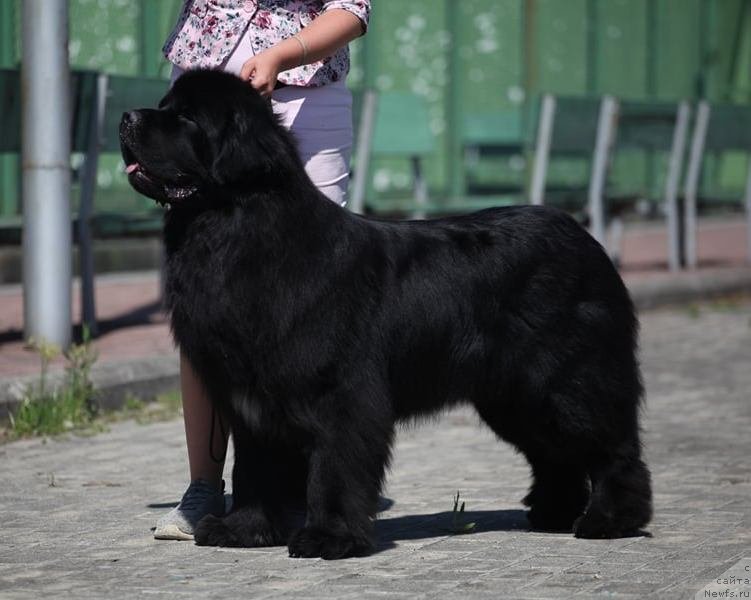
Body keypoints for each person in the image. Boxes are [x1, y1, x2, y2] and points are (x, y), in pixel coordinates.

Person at [154, 0, 371, 541]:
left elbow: (352, 8)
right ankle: (205, 484)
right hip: (199, 104)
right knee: (206, 303)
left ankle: (296, 485)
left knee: (310, 309)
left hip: (304, 95)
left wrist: (281, 54)